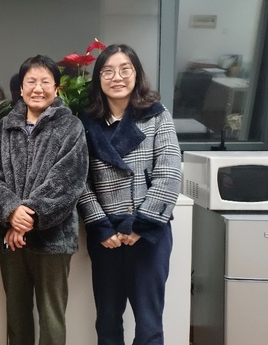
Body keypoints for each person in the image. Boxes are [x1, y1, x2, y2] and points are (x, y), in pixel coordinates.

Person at [78, 44, 181, 345]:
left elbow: (169, 174)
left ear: (136, 74)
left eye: (125, 69)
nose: (117, 77)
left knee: (149, 324)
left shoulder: (157, 115)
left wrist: (140, 225)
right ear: (98, 78)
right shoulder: (87, 122)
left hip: (148, 234)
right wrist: (101, 226)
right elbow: (80, 181)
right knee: (107, 320)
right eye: (108, 71)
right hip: (106, 236)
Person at [0, 55, 88, 345]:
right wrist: (10, 211)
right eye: (31, 81)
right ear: (21, 88)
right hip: (9, 236)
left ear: (56, 88)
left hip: (53, 238)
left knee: (51, 316)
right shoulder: (4, 127)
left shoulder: (71, 127)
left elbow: (67, 181)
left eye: (45, 82)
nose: (38, 88)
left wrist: (26, 217)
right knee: (16, 315)